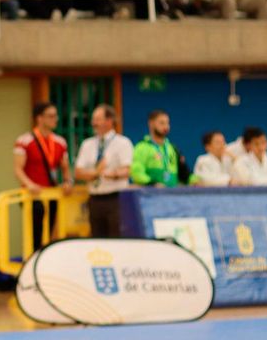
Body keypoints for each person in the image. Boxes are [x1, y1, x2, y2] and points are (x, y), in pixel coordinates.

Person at [14, 101, 72, 249]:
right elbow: (17, 169)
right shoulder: (24, 141)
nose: (55, 119)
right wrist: (29, 184)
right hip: (33, 194)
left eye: (56, 116)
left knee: (52, 227)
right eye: (51, 116)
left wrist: (67, 182)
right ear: (39, 118)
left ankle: (48, 253)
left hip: (52, 192)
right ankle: (34, 254)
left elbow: (65, 168)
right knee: (36, 227)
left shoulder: (60, 142)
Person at [72, 105, 133, 238]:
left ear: (109, 121)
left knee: (117, 238)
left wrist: (113, 174)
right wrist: (97, 173)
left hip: (116, 198)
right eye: (93, 119)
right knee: (97, 240)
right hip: (94, 199)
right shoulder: (87, 144)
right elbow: (78, 172)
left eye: (98, 119)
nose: (94, 123)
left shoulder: (123, 143)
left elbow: (127, 170)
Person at [130, 109, 181, 188]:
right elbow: (136, 173)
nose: (166, 127)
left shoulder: (172, 148)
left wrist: (194, 180)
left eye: (167, 123)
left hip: (172, 195)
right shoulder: (141, 147)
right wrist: (152, 184)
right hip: (151, 195)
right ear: (151, 124)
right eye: (162, 123)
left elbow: (182, 173)